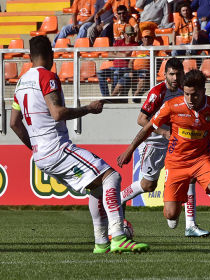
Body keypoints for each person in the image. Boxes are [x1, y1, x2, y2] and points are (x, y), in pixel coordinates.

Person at [9, 35, 149, 254]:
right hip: (57, 148)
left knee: (96, 188)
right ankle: (118, 236)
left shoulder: (20, 83)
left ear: (29, 57)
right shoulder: (47, 77)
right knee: (112, 176)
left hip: (41, 156)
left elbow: (14, 124)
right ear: (52, 55)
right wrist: (89, 109)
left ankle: (101, 242)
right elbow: (57, 114)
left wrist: (36, 148)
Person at [117, 69, 210, 249]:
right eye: (187, 94)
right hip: (176, 163)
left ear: (203, 91)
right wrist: (129, 150)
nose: (190, 99)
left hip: (201, 159)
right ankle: (177, 202)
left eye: (194, 95)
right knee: (170, 215)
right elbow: (147, 127)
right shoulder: (172, 106)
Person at [118, 58, 210, 237]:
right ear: (165, 74)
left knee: (190, 177)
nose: (175, 77)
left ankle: (190, 225)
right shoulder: (157, 92)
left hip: (177, 143)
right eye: (172, 74)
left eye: (178, 74)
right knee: (149, 185)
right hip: (154, 143)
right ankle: (120, 198)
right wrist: (164, 133)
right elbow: (141, 120)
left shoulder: (186, 90)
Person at [111, 30, 167, 102]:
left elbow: (166, 57)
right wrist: (131, 71)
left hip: (146, 71)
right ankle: (111, 98)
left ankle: (136, 95)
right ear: (142, 39)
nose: (147, 39)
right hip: (134, 70)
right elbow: (131, 61)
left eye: (149, 37)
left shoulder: (155, 49)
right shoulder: (137, 48)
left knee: (143, 77)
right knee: (123, 79)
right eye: (145, 37)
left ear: (152, 39)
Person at [97, 26, 139, 98]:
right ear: (124, 34)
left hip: (125, 69)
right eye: (128, 34)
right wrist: (120, 53)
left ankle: (113, 98)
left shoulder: (135, 45)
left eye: (131, 34)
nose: (129, 36)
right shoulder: (119, 42)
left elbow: (126, 56)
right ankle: (106, 97)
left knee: (116, 73)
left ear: (134, 35)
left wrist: (116, 52)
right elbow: (110, 54)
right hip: (114, 68)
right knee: (100, 73)